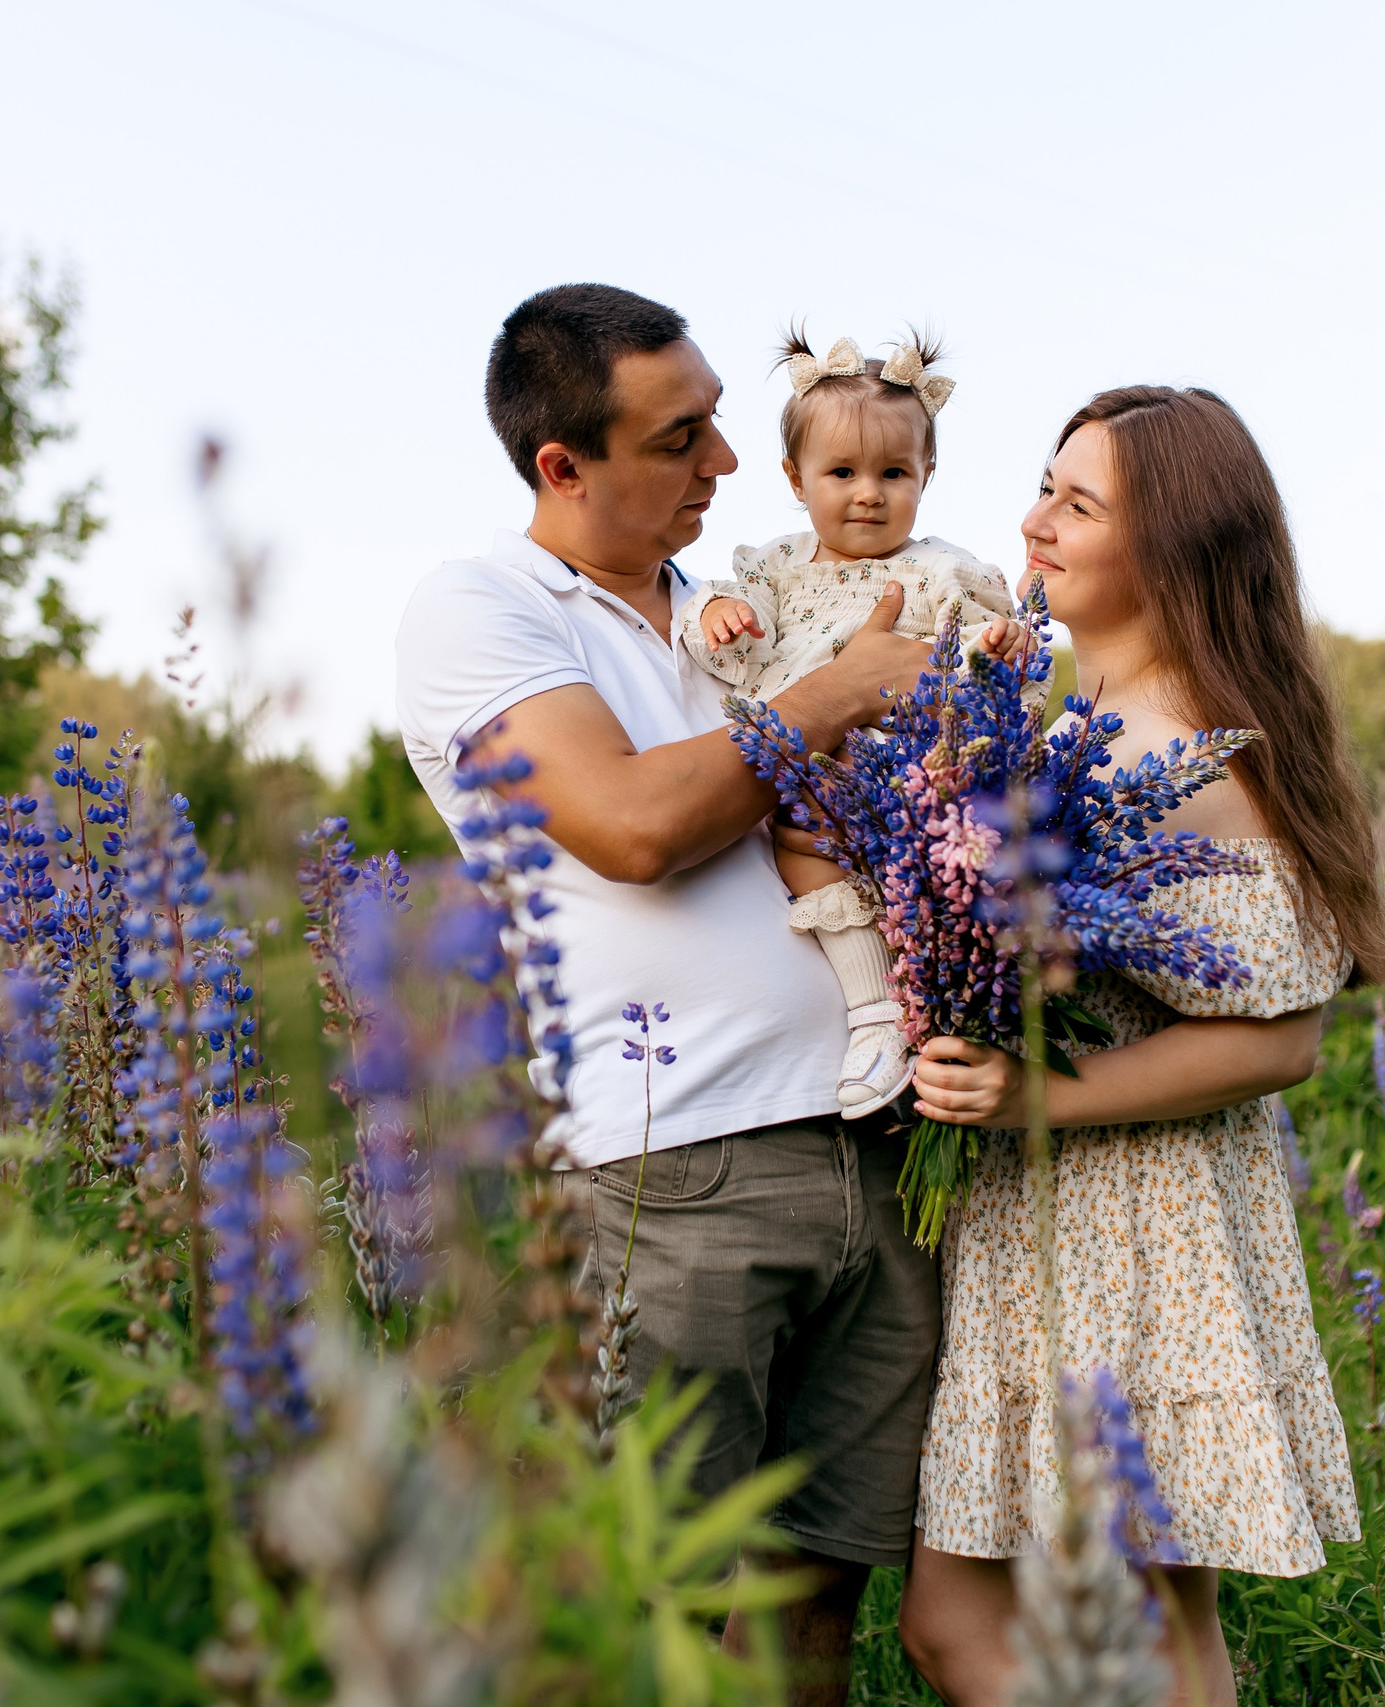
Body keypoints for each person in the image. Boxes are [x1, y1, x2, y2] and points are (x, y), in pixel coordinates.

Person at [393, 284, 938, 1707]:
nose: (727, 464)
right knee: (660, 1598)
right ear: (564, 466)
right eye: (683, 436)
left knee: (816, 1593)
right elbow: (633, 825)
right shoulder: (485, 609)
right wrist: (830, 696)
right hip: (671, 1163)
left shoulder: (739, 607)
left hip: (876, 1146)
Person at [890, 387, 1385, 1707]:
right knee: (1010, 1622)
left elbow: (1279, 1037)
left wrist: (1023, 1099)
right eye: (1044, 487)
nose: (1034, 520)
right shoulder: (1071, 730)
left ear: (1170, 545)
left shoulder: (1192, 750)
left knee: (1121, 1627)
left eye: (1079, 500)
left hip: (1141, 1229)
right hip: (1045, 1225)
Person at [681, 328, 1036, 1116]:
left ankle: (943, 1003)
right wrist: (718, 611)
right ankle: (875, 1013)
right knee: (804, 847)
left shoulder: (941, 569)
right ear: (795, 479)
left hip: (911, 772)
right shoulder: (774, 567)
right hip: (810, 774)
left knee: (943, 876)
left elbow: (975, 660)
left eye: (893, 472)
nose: (868, 492)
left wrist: (996, 647)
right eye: (841, 472)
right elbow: (726, 642)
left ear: (928, 475)